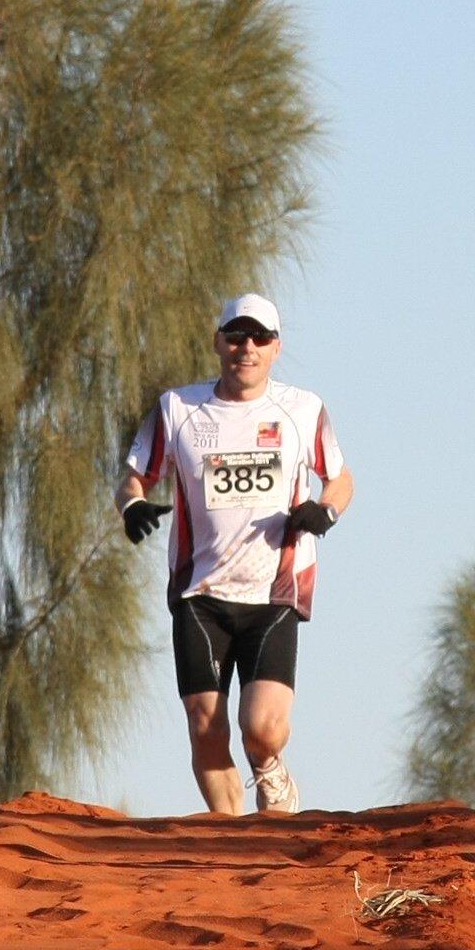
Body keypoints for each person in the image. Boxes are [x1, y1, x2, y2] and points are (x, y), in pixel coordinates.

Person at [119, 295, 355, 815]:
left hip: (274, 591)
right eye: (235, 336)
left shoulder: (302, 410)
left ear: (276, 349)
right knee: (206, 726)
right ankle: (229, 847)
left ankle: (271, 773)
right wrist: (132, 505)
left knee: (262, 729)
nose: (245, 348)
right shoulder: (177, 409)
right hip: (199, 592)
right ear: (218, 342)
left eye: (259, 338)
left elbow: (339, 478)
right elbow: (135, 474)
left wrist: (325, 512)